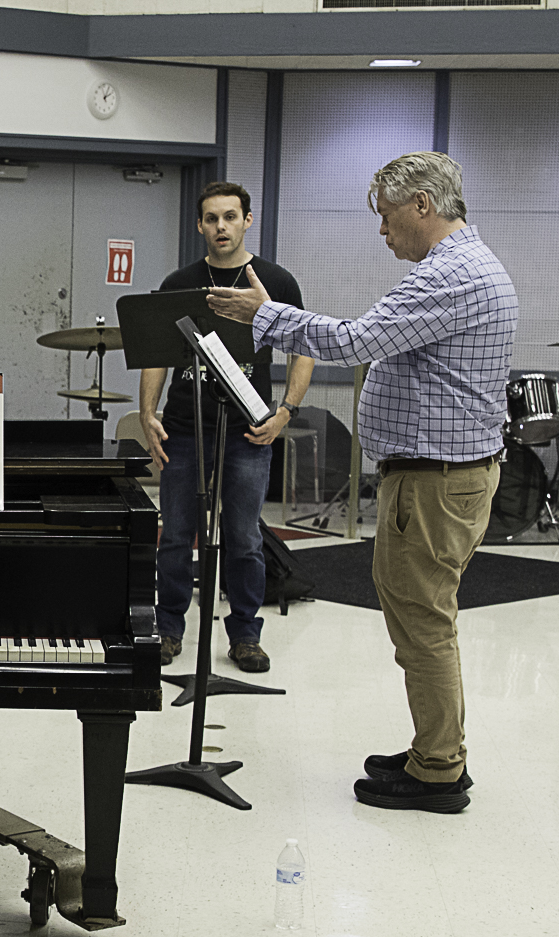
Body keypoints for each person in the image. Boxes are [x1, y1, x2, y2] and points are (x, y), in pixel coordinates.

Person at [208, 152, 514, 814]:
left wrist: (265, 315)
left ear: (422, 206)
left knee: (424, 624)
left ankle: (438, 770)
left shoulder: (450, 275)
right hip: (447, 475)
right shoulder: (470, 265)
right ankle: (435, 750)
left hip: (433, 482)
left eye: (386, 217)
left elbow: (353, 341)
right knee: (422, 618)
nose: (382, 232)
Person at [140, 181, 312, 674]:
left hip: (249, 430)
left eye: (230, 217)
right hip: (185, 425)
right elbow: (155, 354)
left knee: (243, 537)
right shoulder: (179, 282)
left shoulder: (275, 282)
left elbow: (305, 349)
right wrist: (148, 413)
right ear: (200, 225)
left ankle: (244, 636)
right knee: (174, 534)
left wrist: (286, 412)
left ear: (247, 220)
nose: (221, 226)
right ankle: (169, 627)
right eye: (211, 218)